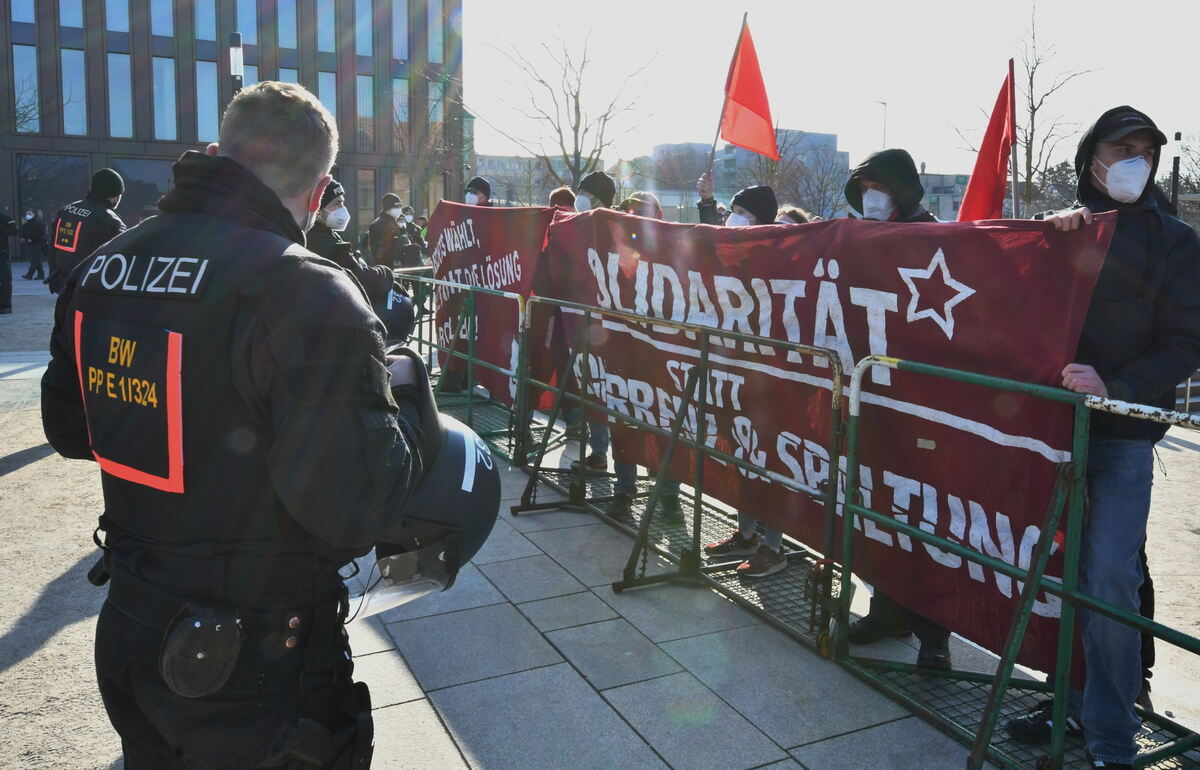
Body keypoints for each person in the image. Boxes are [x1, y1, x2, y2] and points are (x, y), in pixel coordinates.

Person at [40, 81, 431, 768]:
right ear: (318, 193)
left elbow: (68, 428)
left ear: (218, 153)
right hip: (255, 662)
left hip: (133, 620)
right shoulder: (303, 289)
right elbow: (351, 509)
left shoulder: (105, 266)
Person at [1002, 106, 1200, 770]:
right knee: (1056, 571)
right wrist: (1048, 244)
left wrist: (1115, 384)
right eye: (1124, 147)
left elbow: (1185, 343)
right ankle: (1070, 700)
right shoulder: (1066, 228)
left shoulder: (1176, 242)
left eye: (1147, 150)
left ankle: (1111, 740)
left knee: (1109, 576)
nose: (1136, 161)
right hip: (1048, 433)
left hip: (1120, 437)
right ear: (1093, 156)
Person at [692, 180, 789, 577]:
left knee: (772, 461)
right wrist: (706, 202)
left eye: (742, 212)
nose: (734, 219)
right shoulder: (736, 251)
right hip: (737, 371)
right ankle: (746, 534)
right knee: (741, 454)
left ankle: (774, 546)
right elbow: (706, 247)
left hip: (771, 376)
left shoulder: (779, 254)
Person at [306, 176, 393, 305]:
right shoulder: (323, 240)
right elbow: (363, 279)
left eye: (343, 203)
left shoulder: (321, 233)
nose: (343, 209)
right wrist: (386, 273)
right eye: (337, 203)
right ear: (318, 209)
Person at [46, 169, 127, 293]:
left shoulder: (67, 210)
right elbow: (121, 258)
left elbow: (53, 247)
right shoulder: (109, 220)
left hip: (63, 281)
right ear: (114, 196)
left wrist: (53, 274)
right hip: (90, 287)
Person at [843, 149, 936, 223]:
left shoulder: (930, 235)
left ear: (900, 193)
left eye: (879, 188)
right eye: (864, 188)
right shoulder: (857, 236)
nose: (869, 197)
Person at [367, 192, 409, 269]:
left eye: (400, 206)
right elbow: (378, 252)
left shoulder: (394, 223)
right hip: (385, 269)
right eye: (396, 206)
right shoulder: (378, 225)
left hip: (396, 267)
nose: (399, 209)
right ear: (388, 207)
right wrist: (400, 246)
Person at [20, 209, 46, 280]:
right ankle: (41, 275)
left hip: (37, 244)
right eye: (27, 214)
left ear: (33, 214)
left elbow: (40, 234)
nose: (28, 215)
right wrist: (23, 237)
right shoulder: (26, 224)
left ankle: (30, 274)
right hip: (30, 244)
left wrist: (32, 239)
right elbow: (23, 232)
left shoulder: (37, 223)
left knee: (34, 260)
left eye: (30, 214)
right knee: (36, 260)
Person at [0, 210, 18, 314]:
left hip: (2, 253)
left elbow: (14, 231)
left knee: (5, 279)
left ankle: (5, 306)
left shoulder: (4, 218)